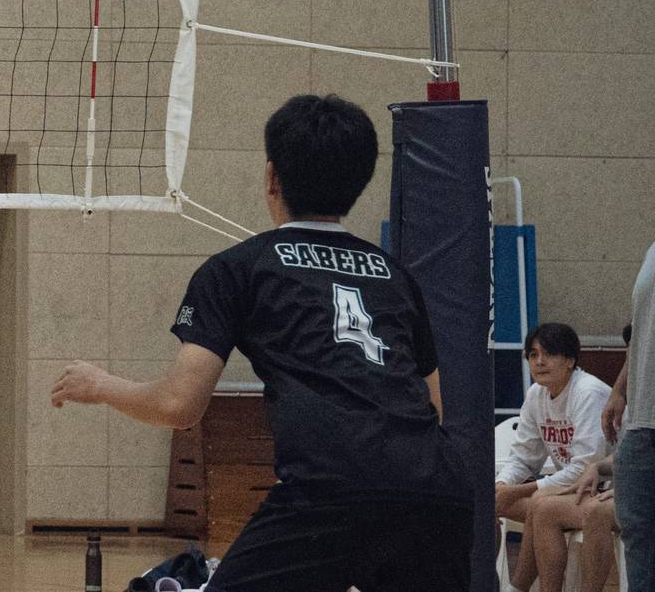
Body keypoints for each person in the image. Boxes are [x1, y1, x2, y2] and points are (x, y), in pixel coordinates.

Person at [50, 93, 471, 592]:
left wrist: (101, 385)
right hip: (437, 491)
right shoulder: (395, 277)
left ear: (272, 176)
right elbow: (434, 407)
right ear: (359, 181)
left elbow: (179, 406)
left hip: (328, 491)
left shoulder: (238, 269)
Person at [497, 322, 610, 588]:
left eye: (548, 354)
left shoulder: (588, 392)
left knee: (540, 504)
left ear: (570, 360)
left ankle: (517, 587)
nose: (539, 361)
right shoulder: (536, 394)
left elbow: (586, 468)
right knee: (489, 500)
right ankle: (486, 580)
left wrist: (519, 491)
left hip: (605, 489)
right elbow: (522, 457)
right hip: (567, 491)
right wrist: (503, 484)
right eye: (533, 354)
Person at [609, 248, 655, 589]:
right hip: (642, 423)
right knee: (638, 537)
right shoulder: (652, 251)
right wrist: (619, 388)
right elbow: (641, 328)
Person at [526, 451, 620, 592]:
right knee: (545, 509)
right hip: (626, 487)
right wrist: (596, 466)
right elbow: (628, 454)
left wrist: (625, 489)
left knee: (595, 511)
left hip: (642, 492)